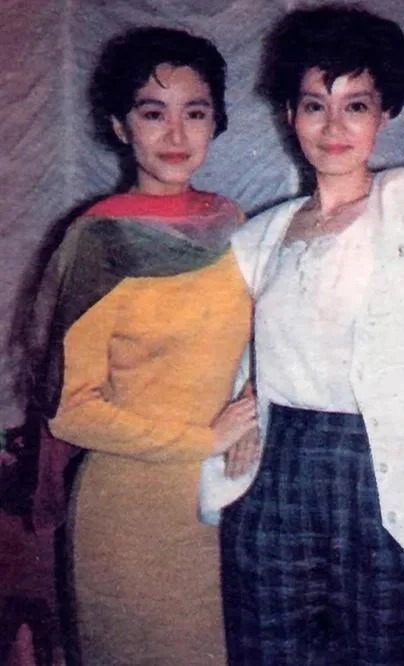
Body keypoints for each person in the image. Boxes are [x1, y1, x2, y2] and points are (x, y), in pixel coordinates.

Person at [217, 4, 404, 665]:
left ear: (384, 113)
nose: (334, 127)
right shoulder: (260, 236)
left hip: (387, 470)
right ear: (290, 114)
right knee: (276, 650)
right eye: (315, 106)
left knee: (388, 650)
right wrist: (246, 404)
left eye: (357, 105)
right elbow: (245, 346)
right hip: (279, 473)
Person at [26, 26, 256, 665]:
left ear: (216, 122)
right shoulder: (98, 242)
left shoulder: (230, 223)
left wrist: (251, 402)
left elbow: (256, 342)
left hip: (230, 502)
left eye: (195, 113)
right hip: (133, 514)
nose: (176, 135)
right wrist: (202, 439)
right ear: (120, 126)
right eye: (154, 113)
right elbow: (69, 410)